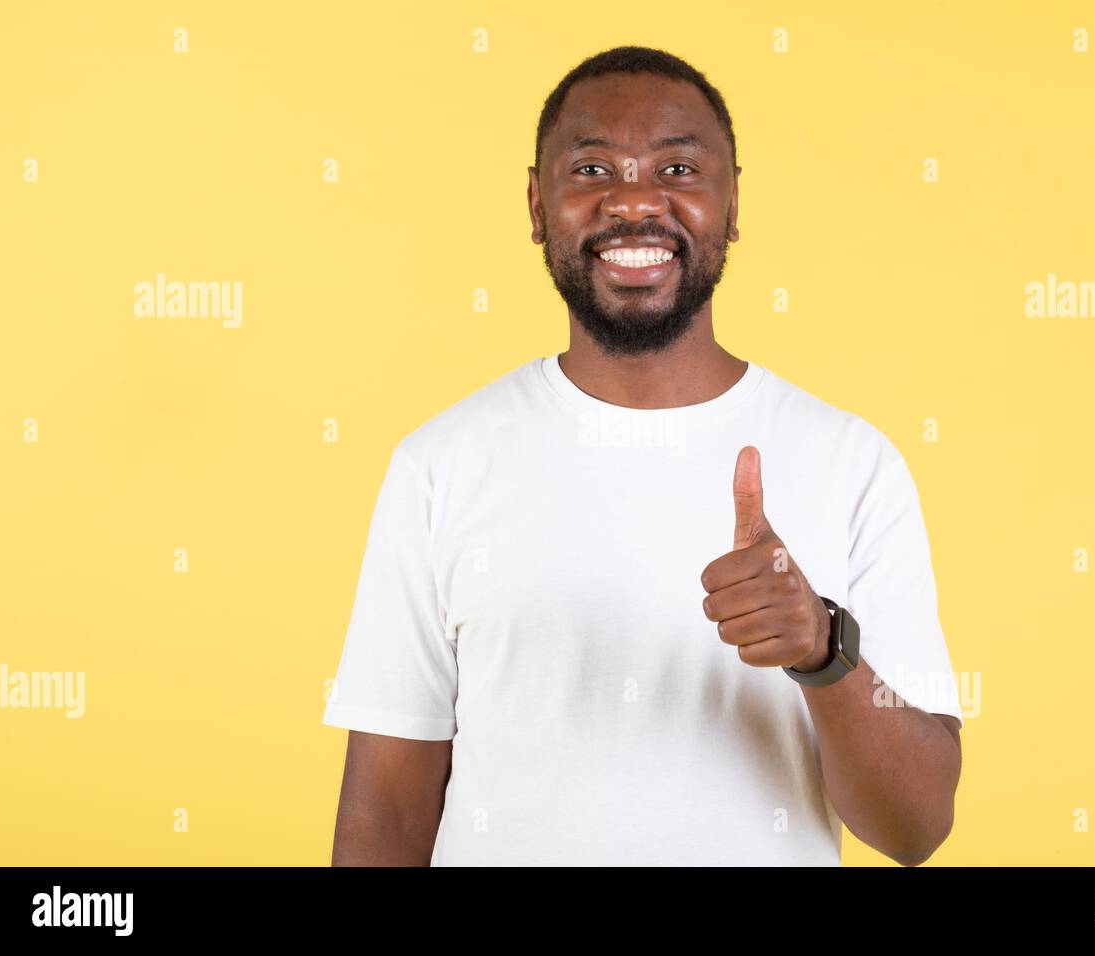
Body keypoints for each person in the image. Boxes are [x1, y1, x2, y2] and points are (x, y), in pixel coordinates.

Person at [323, 45, 963, 866]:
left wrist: (822, 650)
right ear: (534, 203)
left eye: (678, 168)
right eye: (592, 168)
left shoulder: (853, 464)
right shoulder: (440, 466)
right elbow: (382, 816)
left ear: (732, 205)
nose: (633, 201)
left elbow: (919, 828)